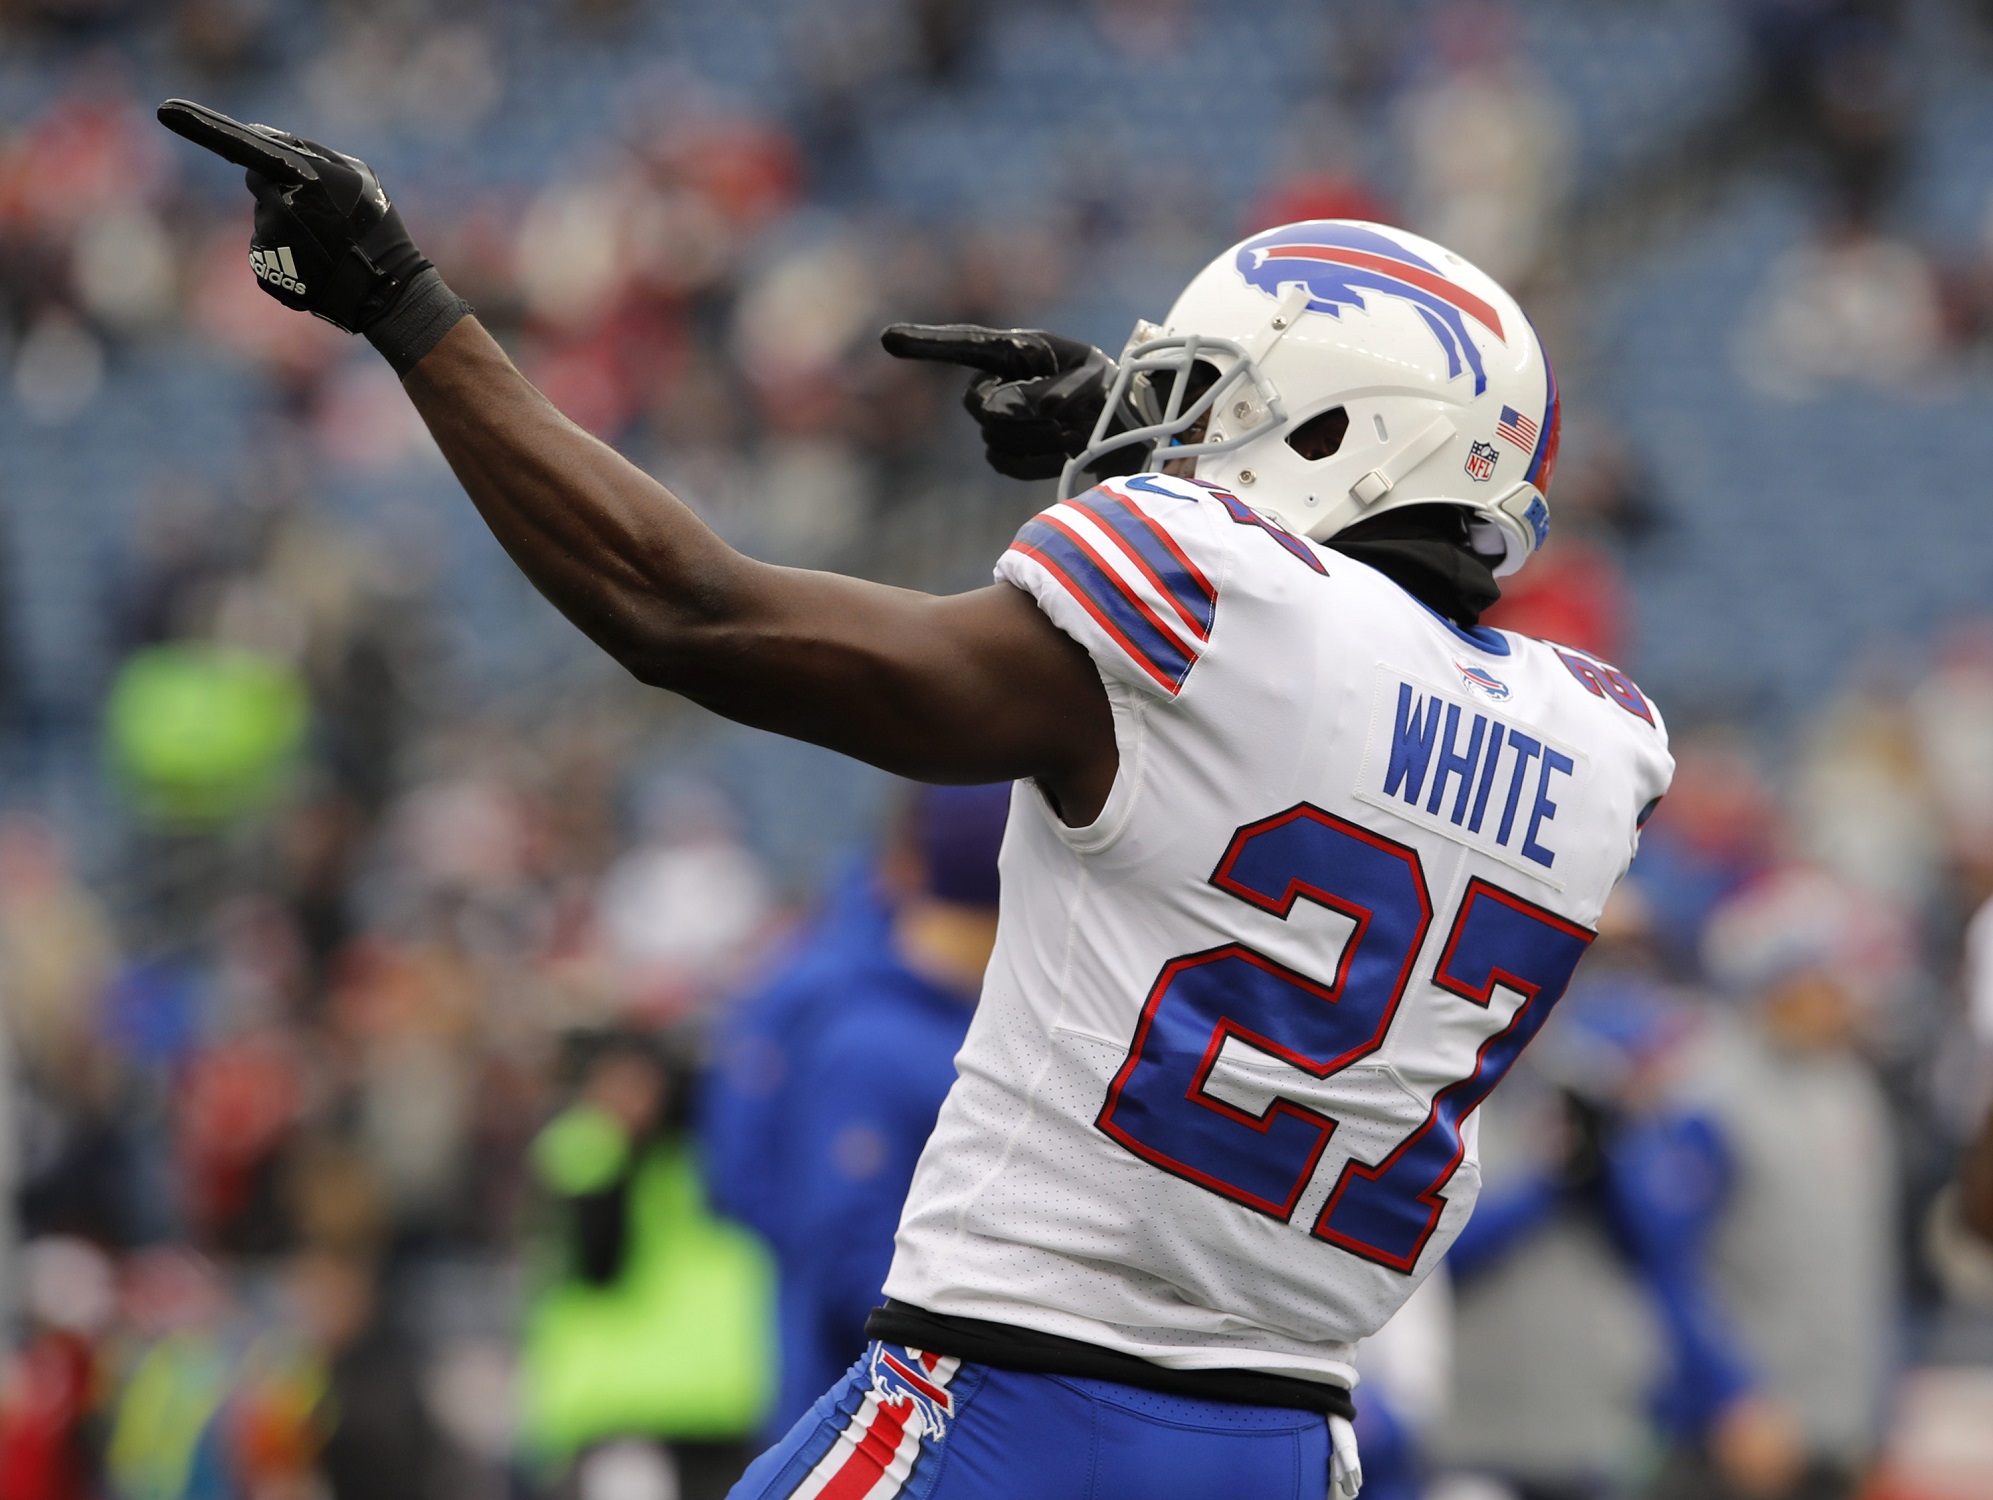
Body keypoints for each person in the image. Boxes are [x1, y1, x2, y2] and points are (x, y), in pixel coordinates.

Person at [161, 101, 1674, 1500]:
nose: (1169, 447)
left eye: (1211, 409)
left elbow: (688, 614)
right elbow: (1315, 711)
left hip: (1012, 1405)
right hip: (1281, 1439)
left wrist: (404, 307)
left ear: (1344, 432)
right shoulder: (1592, 741)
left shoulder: (1211, 605)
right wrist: (1131, 445)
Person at [703, 782, 1011, 1434]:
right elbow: (747, 1182)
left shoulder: (947, 987)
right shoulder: (833, 993)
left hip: (939, 1390)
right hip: (875, 1397)